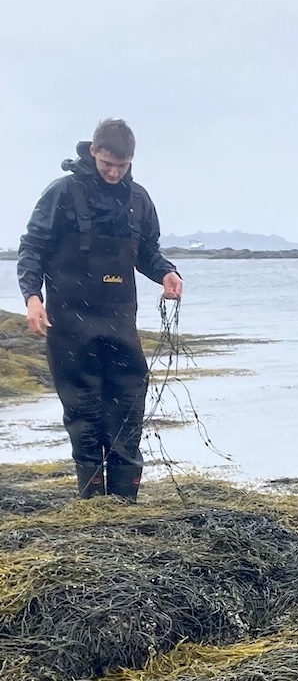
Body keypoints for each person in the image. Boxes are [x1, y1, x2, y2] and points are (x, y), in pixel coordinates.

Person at [17, 119, 183, 499]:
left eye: (121, 166)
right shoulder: (61, 193)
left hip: (119, 323)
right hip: (70, 323)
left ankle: (125, 503)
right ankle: (92, 505)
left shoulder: (139, 199)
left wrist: (167, 274)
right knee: (85, 414)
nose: (113, 172)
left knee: (127, 408)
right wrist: (32, 296)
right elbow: (33, 248)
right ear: (93, 151)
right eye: (107, 163)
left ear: (131, 161)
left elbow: (147, 253)